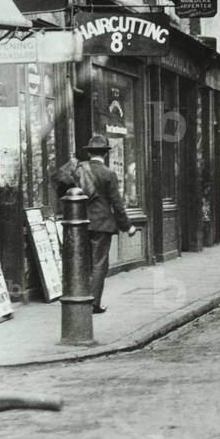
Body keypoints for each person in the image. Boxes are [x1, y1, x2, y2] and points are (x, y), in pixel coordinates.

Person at [72, 134, 137, 314]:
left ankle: (80, 298)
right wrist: (127, 226)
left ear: (90, 152)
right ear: (105, 154)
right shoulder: (108, 174)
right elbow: (116, 203)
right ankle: (94, 303)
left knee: (82, 262)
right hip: (102, 224)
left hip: (81, 223)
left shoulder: (80, 171)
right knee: (99, 263)